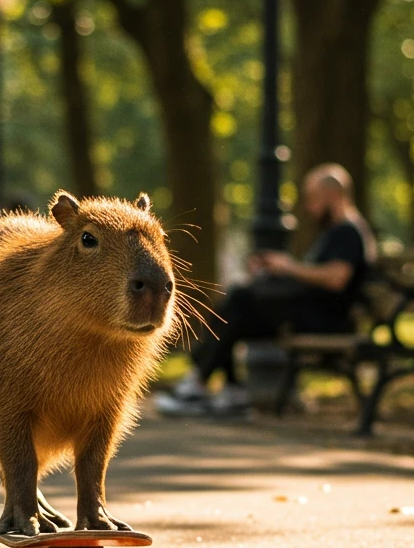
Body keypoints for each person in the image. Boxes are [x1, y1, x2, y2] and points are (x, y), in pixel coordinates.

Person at [158, 163, 377, 415]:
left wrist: (289, 267)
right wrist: (276, 268)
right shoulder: (337, 231)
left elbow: (337, 278)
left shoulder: (348, 230)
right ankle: (229, 389)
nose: (309, 207)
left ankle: (197, 384)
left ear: (333, 195)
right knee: (234, 308)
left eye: (314, 199)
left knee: (240, 298)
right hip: (309, 312)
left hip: (326, 319)